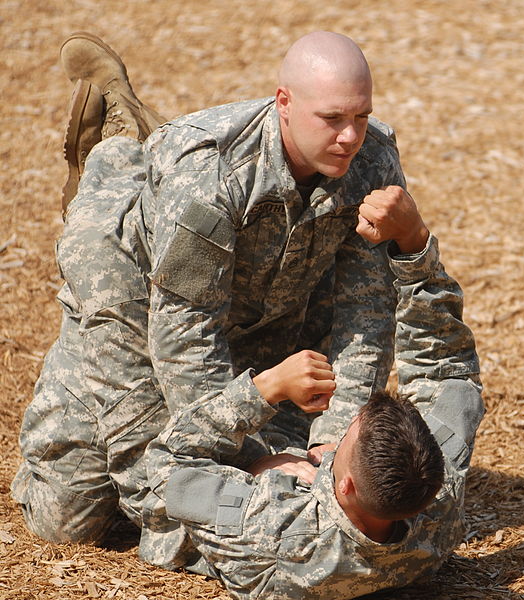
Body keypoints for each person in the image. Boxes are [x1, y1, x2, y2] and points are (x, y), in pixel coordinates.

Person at [11, 30, 482, 586]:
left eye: (362, 116)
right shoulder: (207, 176)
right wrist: (256, 454)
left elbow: (364, 311)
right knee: (68, 515)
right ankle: (120, 152)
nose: (352, 136)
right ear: (283, 103)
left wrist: (326, 438)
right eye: (332, 118)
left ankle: (138, 167)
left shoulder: (370, 157)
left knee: (96, 516)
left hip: (261, 302)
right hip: (135, 292)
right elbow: (183, 334)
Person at [141, 230, 483, 599]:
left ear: (345, 486)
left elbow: (168, 467)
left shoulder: (271, 527)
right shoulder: (437, 511)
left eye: (345, 439)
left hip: (194, 456)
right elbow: (451, 375)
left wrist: (265, 391)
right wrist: (414, 248)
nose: (337, 439)